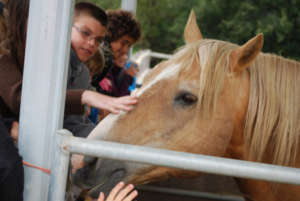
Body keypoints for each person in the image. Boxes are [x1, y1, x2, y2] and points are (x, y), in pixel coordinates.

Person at [0, 1, 138, 201]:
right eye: (85, 33)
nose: (91, 43)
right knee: (10, 168)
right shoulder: (13, 51)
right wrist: (86, 97)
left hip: (26, 139)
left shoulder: (77, 68)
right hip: (16, 139)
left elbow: (71, 120)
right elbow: (21, 99)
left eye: (98, 40)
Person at [86, 9, 141, 122]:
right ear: (110, 35)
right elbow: (116, 104)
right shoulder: (97, 62)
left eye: (129, 45)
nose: (125, 50)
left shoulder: (111, 67)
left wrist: (123, 73)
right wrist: (127, 76)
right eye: (123, 42)